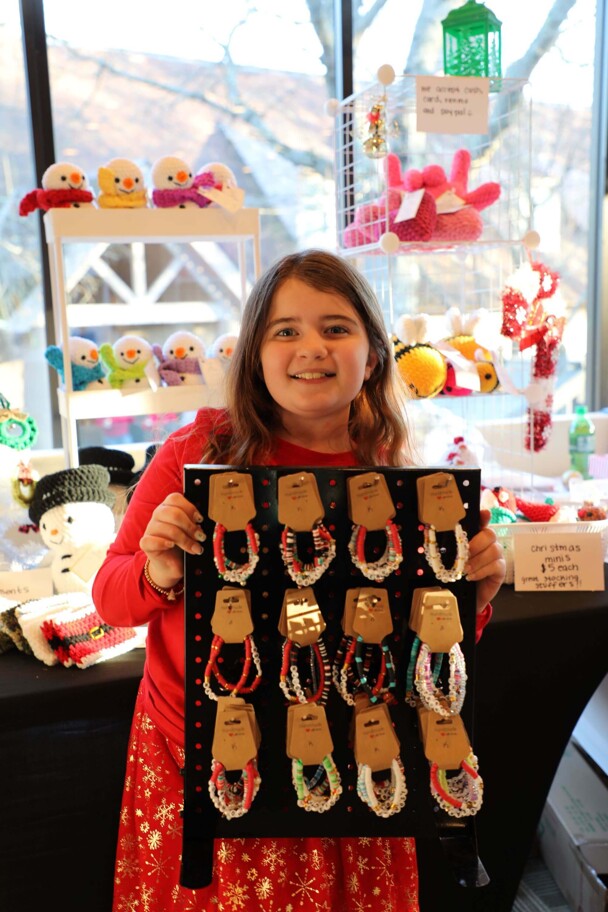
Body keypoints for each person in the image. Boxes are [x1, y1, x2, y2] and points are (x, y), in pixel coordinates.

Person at [93, 249, 506, 912]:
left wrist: (474, 600)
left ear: (373, 354)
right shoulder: (196, 452)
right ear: (256, 354)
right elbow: (110, 598)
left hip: (356, 756)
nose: (311, 346)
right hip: (202, 756)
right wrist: (158, 569)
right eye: (285, 330)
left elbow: (426, 656)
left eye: (336, 328)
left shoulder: (406, 480)